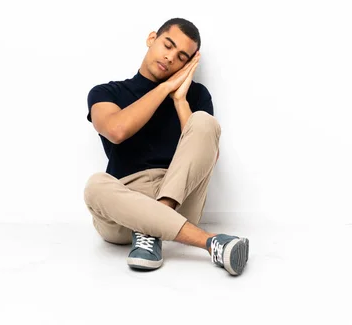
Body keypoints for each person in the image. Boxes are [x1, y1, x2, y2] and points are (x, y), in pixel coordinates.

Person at [83, 18, 249, 276]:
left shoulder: (197, 96)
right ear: (152, 39)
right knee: (95, 185)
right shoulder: (107, 92)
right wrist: (164, 88)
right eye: (167, 45)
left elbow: (206, 155)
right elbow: (116, 131)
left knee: (203, 121)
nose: (171, 58)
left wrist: (180, 99)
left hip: (179, 199)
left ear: (189, 64)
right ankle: (210, 242)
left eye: (182, 57)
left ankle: (153, 227)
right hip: (124, 210)